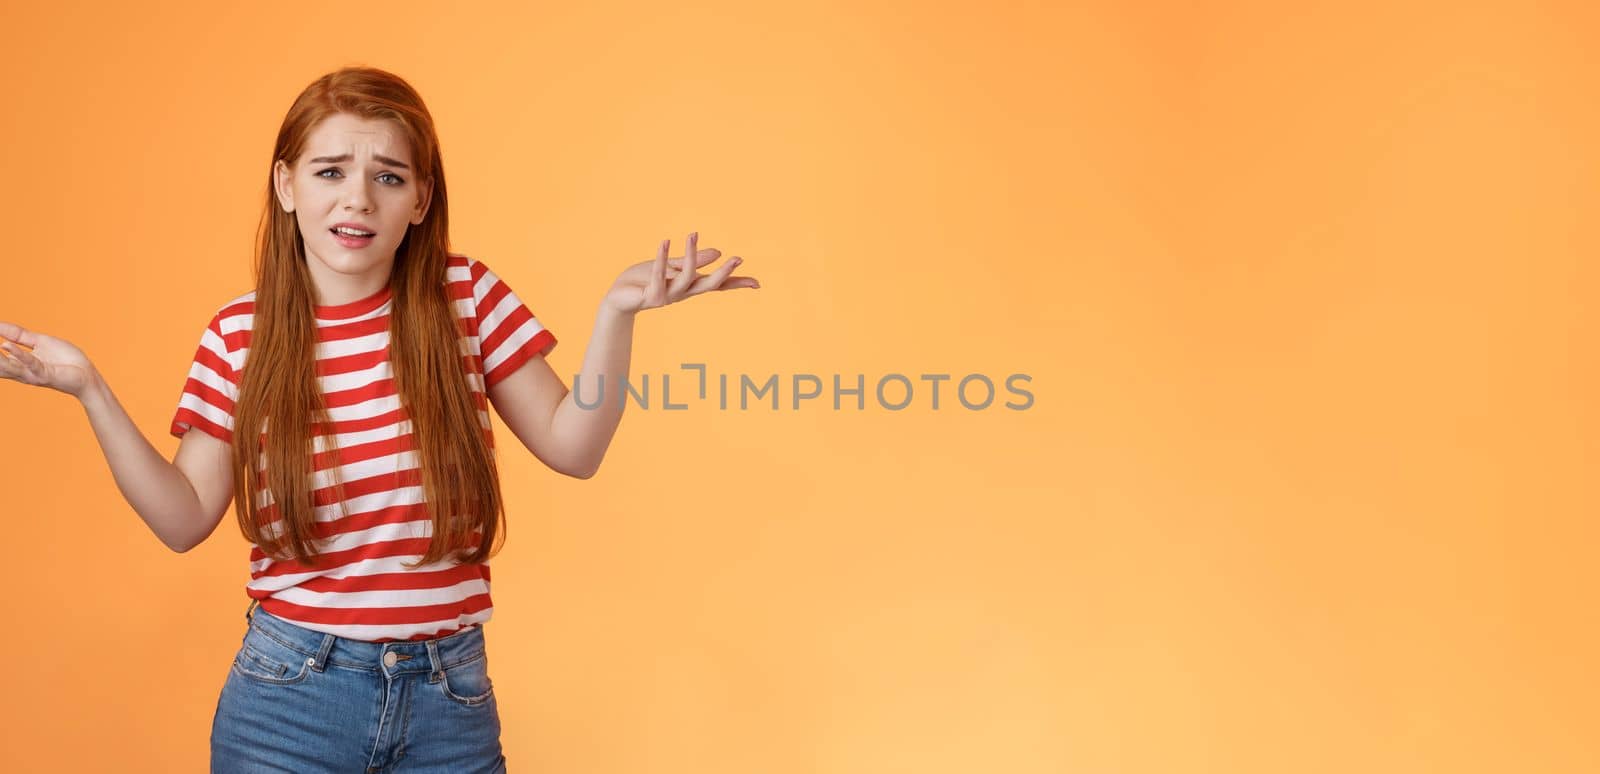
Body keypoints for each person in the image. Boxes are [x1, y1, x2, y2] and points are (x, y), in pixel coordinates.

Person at [0, 65, 759, 773]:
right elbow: (184, 518)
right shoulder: (242, 332)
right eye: (330, 172)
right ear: (287, 185)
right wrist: (88, 387)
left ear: (421, 200)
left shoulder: (466, 299)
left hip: (449, 701)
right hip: (286, 698)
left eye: (387, 177)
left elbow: (576, 448)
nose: (357, 199)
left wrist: (616, 316)